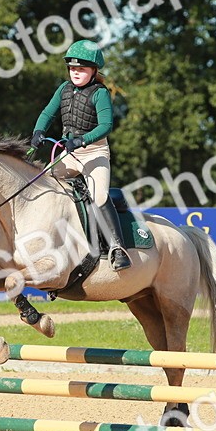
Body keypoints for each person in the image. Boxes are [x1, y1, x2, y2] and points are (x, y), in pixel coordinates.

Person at [30, 39, 131, 271]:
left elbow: (106, 125)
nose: (75, 72)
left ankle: (118, 248)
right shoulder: (64, 89)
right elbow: (47, 113)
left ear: (94, 71)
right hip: (69, 153)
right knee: (39, 184)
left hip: (94, 153)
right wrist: (38, 131)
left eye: (82, 68)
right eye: (72, 68)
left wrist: (82, 140)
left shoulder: (100, 93)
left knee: (99, 196)